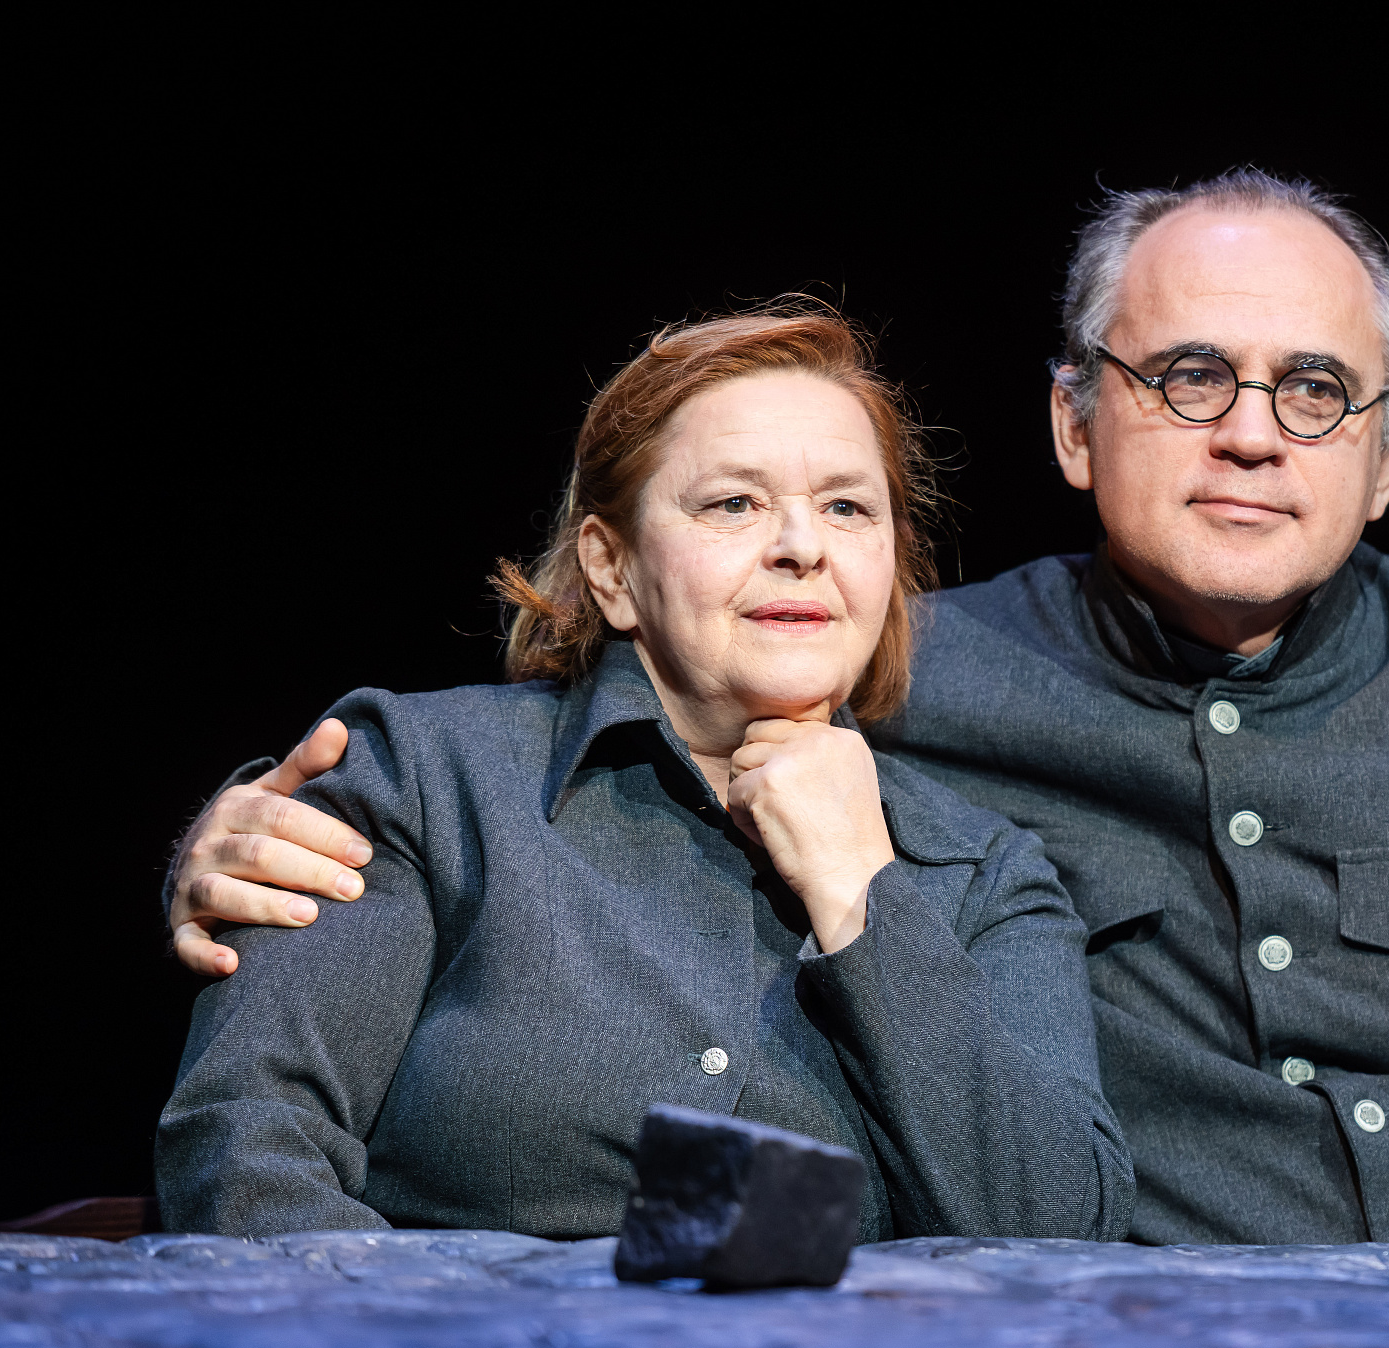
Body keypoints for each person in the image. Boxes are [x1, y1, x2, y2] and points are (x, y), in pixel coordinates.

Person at [167, 170, 1389, 1251]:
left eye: (1315, 390)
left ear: (1386, 457)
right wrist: (254, 822)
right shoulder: (895, 667)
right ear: (1074, 425)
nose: (1252, 432)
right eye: (1190, 375)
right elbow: (607, 726)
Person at [155, 306, 1133, 1242]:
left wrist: (859, 893)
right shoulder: (422, 778)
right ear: (612, 568)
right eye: (734, 503)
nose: (803, 547)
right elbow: (245, 1151)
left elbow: (1051, 1235)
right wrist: (437, 1346)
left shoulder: (984, 875)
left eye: (846, 507)